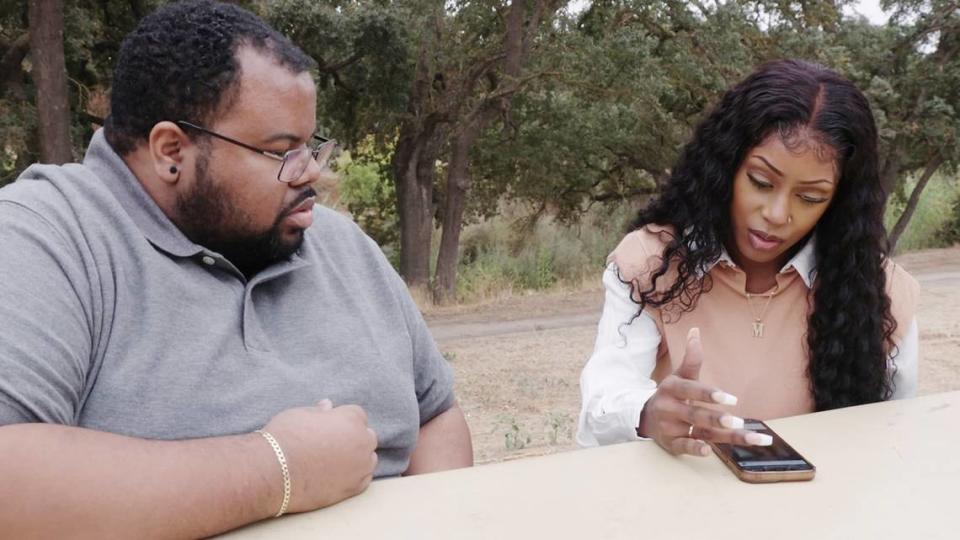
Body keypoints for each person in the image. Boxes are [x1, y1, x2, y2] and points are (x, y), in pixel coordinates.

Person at [0, 1, 471, 537]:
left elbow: (436, 414)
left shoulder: (342, 246)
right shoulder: (48, 238)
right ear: (172, 151)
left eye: (311, 144)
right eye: (281, 150)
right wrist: (280, 468)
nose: (312, 170)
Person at [577, 59, 919, 457]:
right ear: (726, 166)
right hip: (679, 509)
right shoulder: (651, 263)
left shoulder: (883, 293)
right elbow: (600, 402)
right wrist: (648, 412)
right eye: (760, 181)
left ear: (839, 202)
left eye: (810, 197)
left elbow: (896, 433)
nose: (776, 214)